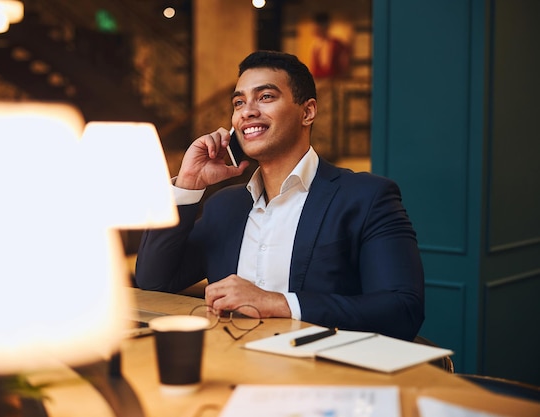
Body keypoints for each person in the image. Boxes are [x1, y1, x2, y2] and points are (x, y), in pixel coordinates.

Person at [135, 50, 424, 341]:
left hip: (317, 375)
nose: (247, 111)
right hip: (227, 367)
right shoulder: (224, 206)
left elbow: (402, 311)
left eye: (265, 97)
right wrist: (189, 182)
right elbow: (153, 281)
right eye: (239, 102)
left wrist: (278, 303)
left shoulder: (366, 197)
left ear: (307, 112)